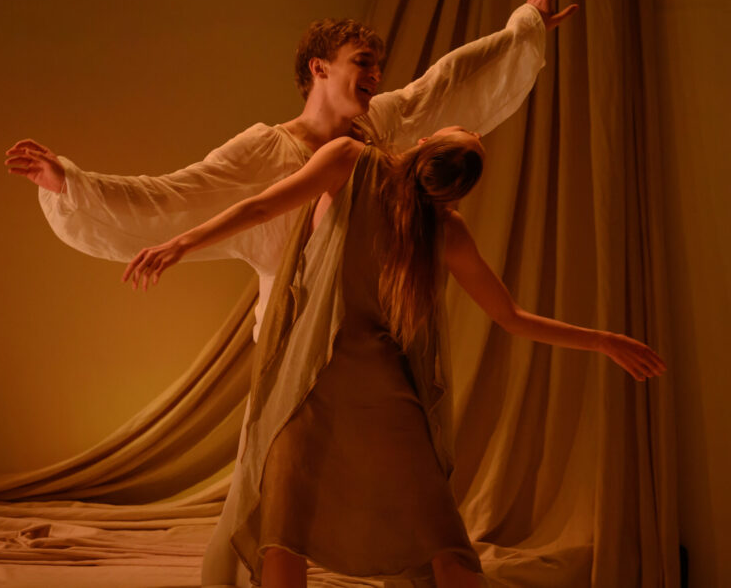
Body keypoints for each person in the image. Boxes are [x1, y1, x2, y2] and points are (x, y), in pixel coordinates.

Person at [122, 128, 665, 588]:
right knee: (440, 536)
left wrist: (180, 244)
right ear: (455, 191)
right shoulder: (447, 230)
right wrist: (603, 341)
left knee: (284, 528)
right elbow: (512, 317)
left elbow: (261, 206)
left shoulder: (349, 160)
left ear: (424, 144)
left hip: (309, 378)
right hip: (386, 388)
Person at [4, 0, 577, 342]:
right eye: (362, 62)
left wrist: (523, 28)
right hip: (296, 328)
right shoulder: (266, 148)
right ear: (319, 68)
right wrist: (71, 183)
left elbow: (446, 81)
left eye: (377, 65)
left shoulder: (380, 124)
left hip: (370, 324)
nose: (376, 74)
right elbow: (174, 192)